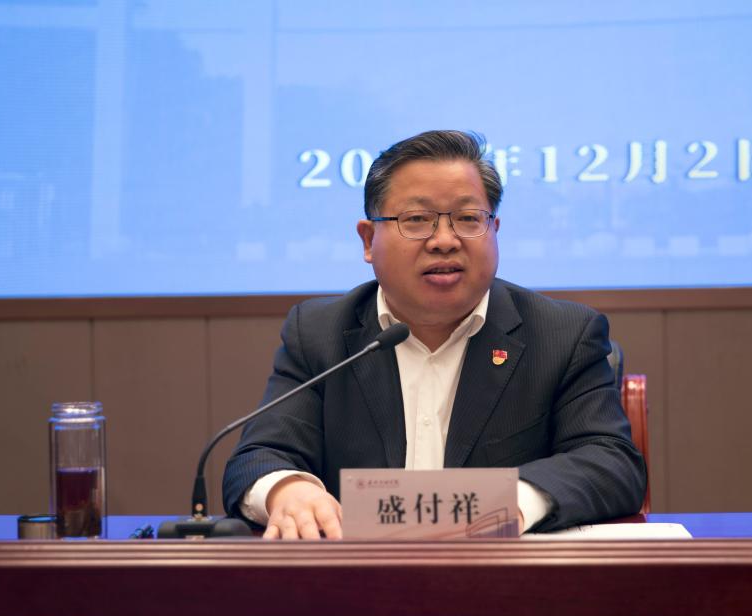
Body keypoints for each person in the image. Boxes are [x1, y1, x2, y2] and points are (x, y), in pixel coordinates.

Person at [223, 130, 646, 539]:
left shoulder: (562, 335)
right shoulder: (320, 333)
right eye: (417, 220)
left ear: (494, 231)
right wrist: (287, 490)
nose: (444, 241)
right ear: (368, 240)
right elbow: (259, 456)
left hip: (503, 578)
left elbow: (611, 462)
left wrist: (510, 504)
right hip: (358, 580)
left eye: (467, 219)